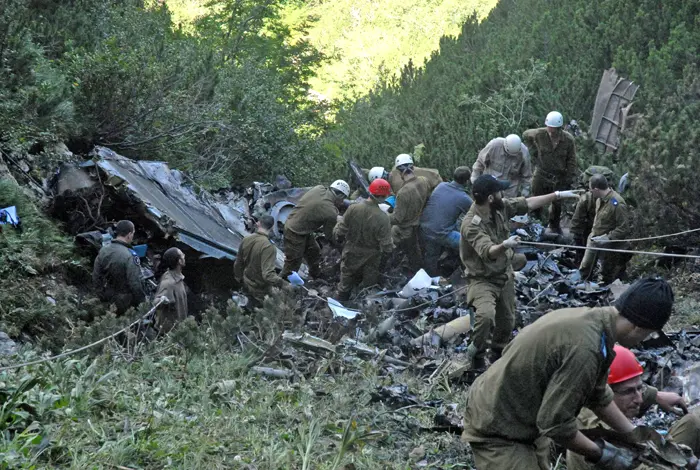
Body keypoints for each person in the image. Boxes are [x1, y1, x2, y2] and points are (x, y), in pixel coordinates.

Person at [462, 277, 675, 470]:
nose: (644, 341)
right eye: (648, 334)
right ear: (639, 328)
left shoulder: (595, 324)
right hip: (497, 427)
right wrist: (603, 454)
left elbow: (598, 396)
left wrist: (636, 437)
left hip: (524, 418)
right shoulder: (586, 349)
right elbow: (555, 425)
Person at [461, 175, 582, 368]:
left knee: (507, 321)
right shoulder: (471, 224)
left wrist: (557, 195)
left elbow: (527, 203)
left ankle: (497, 356)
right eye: (499, 191)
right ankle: (476, 353)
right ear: (490, 197)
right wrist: (504, 245)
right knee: (484, 317)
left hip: (504, 274)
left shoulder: (499, 208)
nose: (503, 193)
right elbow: (487, 252)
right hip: (482, 279)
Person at [567, 345, 698, 470]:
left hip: (642, 458)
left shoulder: (601, 399)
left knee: (692, 423)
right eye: (628, 392)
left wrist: (655, 396)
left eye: (639, 388)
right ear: (603, 392)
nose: (639, 399)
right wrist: (682, 460)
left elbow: (630, 390)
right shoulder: (595, 429)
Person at [334, 178, 394, 300]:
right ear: (384, 196)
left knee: (345, 284)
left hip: (351, 251)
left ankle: (340, 305)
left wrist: (340, 242)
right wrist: (386, 257)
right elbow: (387, 246)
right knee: (368, 287)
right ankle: (362, 309)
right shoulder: (383, 218)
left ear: (370, 192)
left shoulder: (353, 208)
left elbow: (341, 230)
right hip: (371, 258)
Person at [281, 180, 350, 279]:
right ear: (340, 196)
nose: (342, 202)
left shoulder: (319, 188)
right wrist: (341, 246)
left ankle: (315, 274)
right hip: (295, 232)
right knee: (293, 264)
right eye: (343, 199)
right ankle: (281, 284)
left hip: (297, 223)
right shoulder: (330, 211)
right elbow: (329, 235)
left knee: (313, 251)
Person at [523, 111, 578, 233]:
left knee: (557, 205)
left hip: (559, 177)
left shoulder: (568, 140)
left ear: (560, 128)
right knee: (536, 201)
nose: (551, 132)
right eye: (549, 129)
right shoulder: (539, 134)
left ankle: (554, 227)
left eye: (554, 130)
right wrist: (533, 151)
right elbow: (526, 135)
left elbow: (572, 161)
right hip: (541, 174)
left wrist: (568, 179)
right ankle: (534, 225)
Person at [419, 166, 473, 276]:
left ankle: (430, 277)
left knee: (431, 255)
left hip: (424, 228)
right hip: (442, 234)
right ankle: (468, 271)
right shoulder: (464, 198)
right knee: (470, 245)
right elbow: (477, 214)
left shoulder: (441, 186)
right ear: (467, 181)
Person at [579, 174, 631, 283]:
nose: (590, 192)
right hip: (594, 240)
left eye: (591, 190)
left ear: (597, 189)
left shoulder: (617, 203)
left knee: (608, 274)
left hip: (609, 245)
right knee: (585, 268)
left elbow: (624, 228)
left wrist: (608, 238)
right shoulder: (599, 200)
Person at [92, 220, 146, 314]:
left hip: (107, 294)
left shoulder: (104, 250)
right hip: (125, 301)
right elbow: (135, 283)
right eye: (133, 233)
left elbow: (96, 275)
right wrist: (141, 303)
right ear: (129, 234)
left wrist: (100, 294)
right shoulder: (130, 255)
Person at [234, 215, 286, 306]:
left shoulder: (246, 239)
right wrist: (284, 284)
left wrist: (240, 279)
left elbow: (238, 263)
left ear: (258, 224)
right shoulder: (269, 247)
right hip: (260, 291)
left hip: (246, 282)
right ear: (272, 227)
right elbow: (268, 275)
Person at [389, 163, 430, 273]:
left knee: (393, 248)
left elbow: (397, 219)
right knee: (416, 252)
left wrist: (383, 215)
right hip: (419, 222)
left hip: (405, 229)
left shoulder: (403, 192)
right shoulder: (423, 180)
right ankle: (420, 271)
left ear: (399, 172)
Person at [570, 166, 614, 263]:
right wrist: (579, 247)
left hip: (607, 232)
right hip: (589, 227)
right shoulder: (586, 199)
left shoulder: (613, 200)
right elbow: (577, 222)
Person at [154, 247, 188, 333]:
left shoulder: (178, 278)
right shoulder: (168, 283)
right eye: (182, 255)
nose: (184, 256)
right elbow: (156, 303)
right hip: (171, 334)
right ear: (179, 261)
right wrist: (162, 300)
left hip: (180, 330)